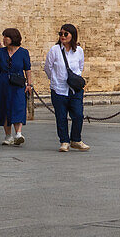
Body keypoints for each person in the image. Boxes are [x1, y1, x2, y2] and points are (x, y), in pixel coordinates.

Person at [44, 23, 88, 152]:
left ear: (72, 35)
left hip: (75, 89)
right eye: (60, 34)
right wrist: (55, 79)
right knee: (61, 116)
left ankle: (76, 139)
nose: (63, 36)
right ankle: (64, 141)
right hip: (59, 88)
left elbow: (80, 67)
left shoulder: (79, 51)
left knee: (78, 115)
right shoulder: (54, 50)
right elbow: (48, 67)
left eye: (65, 34)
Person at [0, 27, 32, 146]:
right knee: (4, 108)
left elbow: (28, 69)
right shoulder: (0, 52)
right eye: (4, 37)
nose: (4, 39)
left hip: (18, 83)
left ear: (13, 38)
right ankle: (8, 136)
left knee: (18, 106)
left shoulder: (23, 52)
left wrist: (29, 84)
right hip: (3, 83)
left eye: (7, 37)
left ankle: (18, 134)